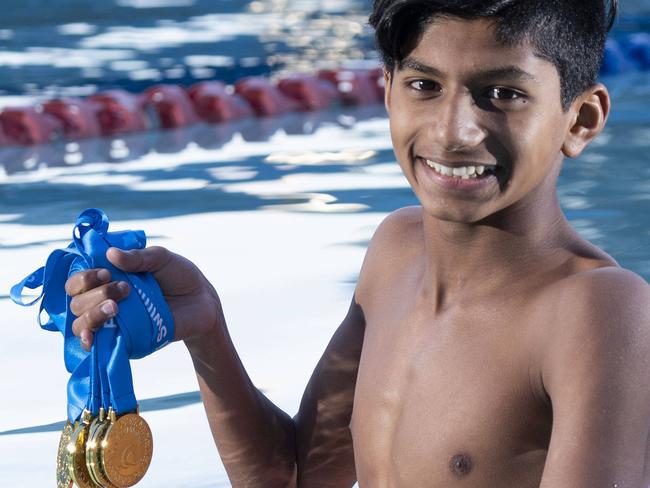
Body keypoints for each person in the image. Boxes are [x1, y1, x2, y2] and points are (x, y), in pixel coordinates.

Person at [65, 0, 650, 486]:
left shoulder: (596, 310)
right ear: (389, 90)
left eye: (502, 94)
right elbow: (293, 475)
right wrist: (206, 331)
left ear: (580, 119)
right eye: (425, 85)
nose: (453, 131)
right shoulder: (396, 251)